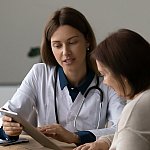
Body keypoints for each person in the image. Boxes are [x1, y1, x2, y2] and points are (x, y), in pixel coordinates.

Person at [0, 7, 125, 145]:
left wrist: (76, 137)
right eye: (57, 45)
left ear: (87, 41)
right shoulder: (39, 74)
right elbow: (10, 115)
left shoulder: (106, 79)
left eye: (72, 42)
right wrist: (8, 129)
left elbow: (123, 128)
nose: (65, 52)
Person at [75, 28, 150, 150]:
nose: (105, 82)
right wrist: (105, 142)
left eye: (104, 74)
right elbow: (129, 132)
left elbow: (130, 129)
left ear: (123, 72)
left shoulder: (137, 108)